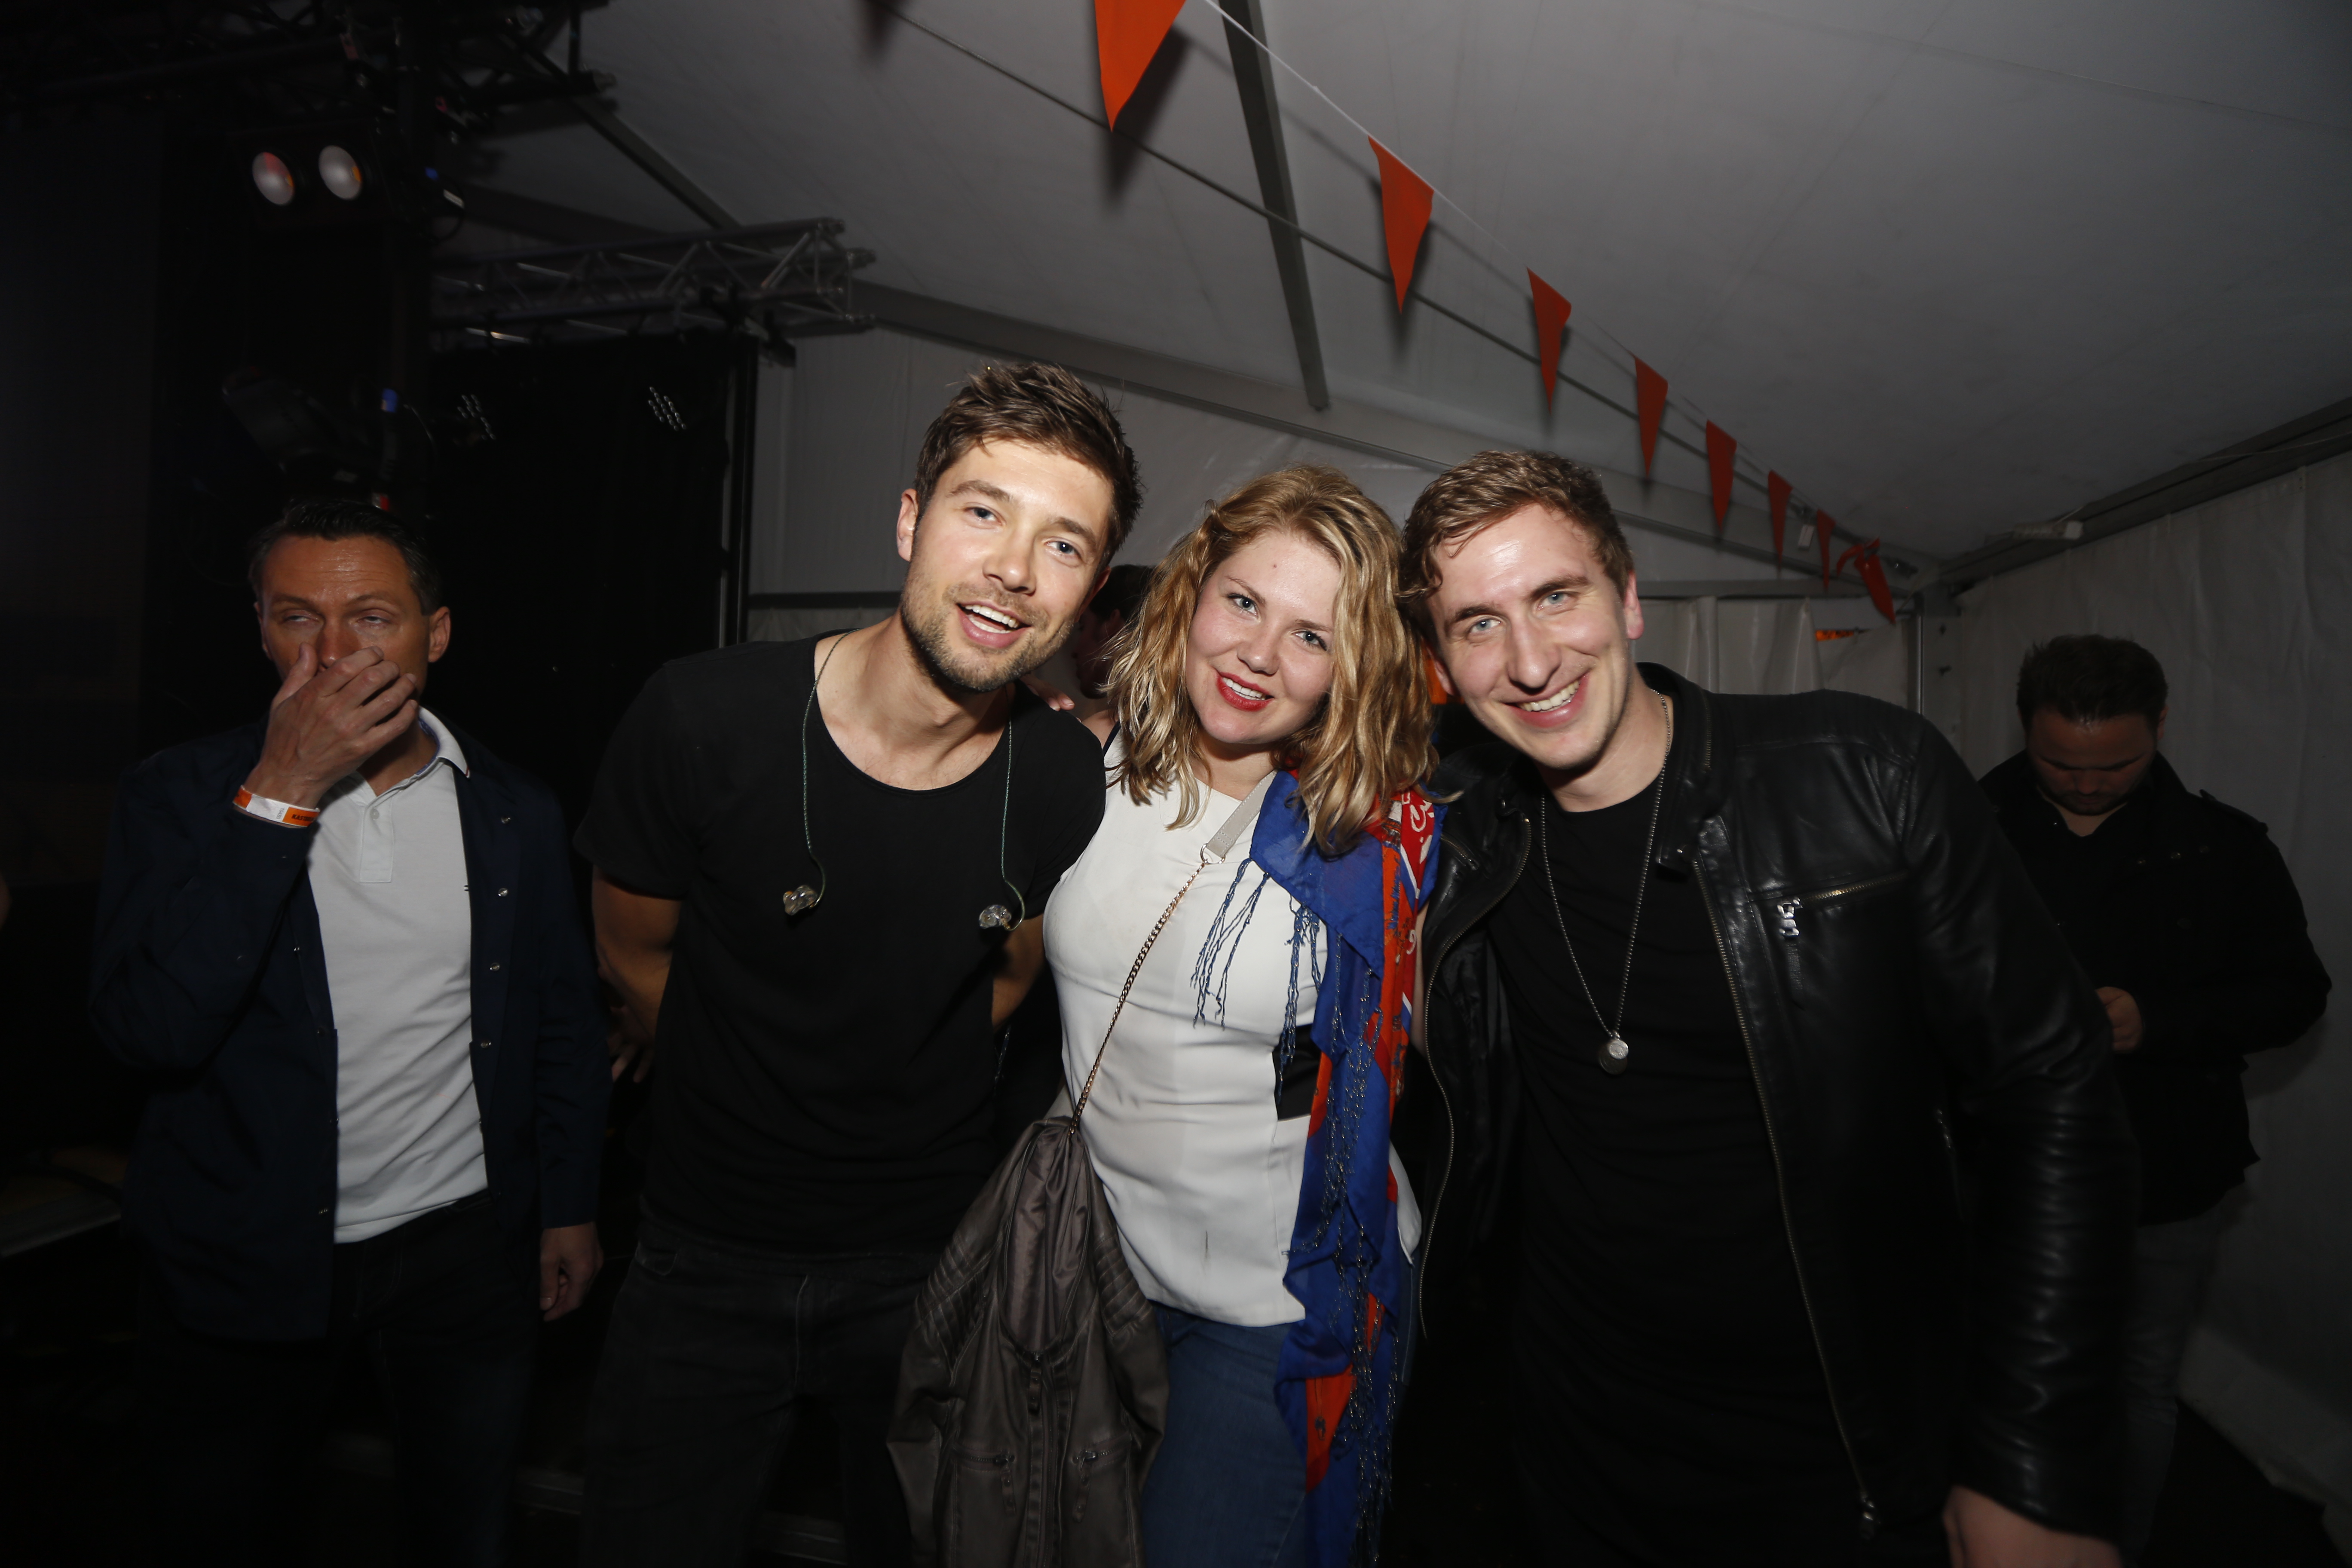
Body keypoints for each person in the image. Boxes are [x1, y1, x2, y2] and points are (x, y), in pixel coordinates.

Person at [1394, 450, 2138, 1568]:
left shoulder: (1862, 776)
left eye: (1556, 596)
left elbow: (2056, 1091)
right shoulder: (1460, 838)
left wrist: (2032, 1461)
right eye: (1479, 624)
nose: (1532, 661)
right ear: (1443, 660)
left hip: (1842, 1447)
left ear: (1629, 596)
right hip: (1577, 1444)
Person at [574, 363, 1138, 1567]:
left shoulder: (1059, 780)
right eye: (982, 512)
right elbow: (633, 949)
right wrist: (742, 1075)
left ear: (1089, 592)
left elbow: (1006, 983)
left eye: (1064, 545)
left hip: (930, 1269)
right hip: (700, 1256)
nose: (1014, 569)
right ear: (909, 521)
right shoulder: (703, 717)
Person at [89, 499, 609, 1565]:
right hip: (244, 1250)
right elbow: (150, 1031)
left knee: (463, 1528)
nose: (331, 654)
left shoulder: (512, 808)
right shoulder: (178, 795)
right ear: (260, 631)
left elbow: (557, 1018)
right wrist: (280, 792)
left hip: (463, 1248)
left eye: (371, 617)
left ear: (436, 633)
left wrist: (568, 1202)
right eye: (297, 618)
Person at [1046, 466, 1436, 1568]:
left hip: (1282, 1300)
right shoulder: (1075, 769)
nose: (1260, 654)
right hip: (1104, 1278)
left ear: (1353, 666)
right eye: (1245, 602)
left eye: (1312, 636)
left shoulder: (1373, 844)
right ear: (1192, 590)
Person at [1981, 634, 2329, 1565]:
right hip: (1998, 1171)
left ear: (2162, 726)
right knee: (1995, 1373)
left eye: (2116, 764)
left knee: (2137, 1385)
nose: (2088, 783)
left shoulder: (2224, 846)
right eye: (2061, 762)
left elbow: (2296, 995)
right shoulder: (1961, 826)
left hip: (2167, 1169)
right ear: (2025, 729)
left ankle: (2112, 1552)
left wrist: (2159, 1020)